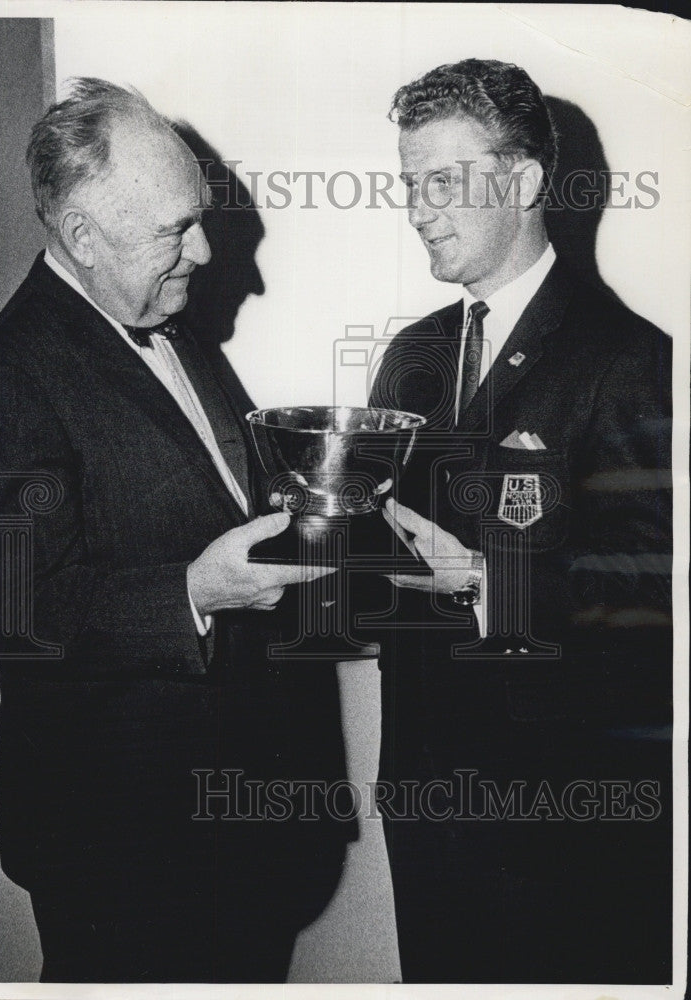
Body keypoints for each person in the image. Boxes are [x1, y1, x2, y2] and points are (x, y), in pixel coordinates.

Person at [0, 78, 352, 984]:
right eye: (173, 230)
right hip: (123, 852)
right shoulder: (6, 375)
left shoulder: (169, 320)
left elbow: (201, 507)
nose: (203, 251)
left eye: (197, 218)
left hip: (238, 839)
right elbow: (13, 615)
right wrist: (191, 595)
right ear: (82, 238)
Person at [369, 59, 672, 984]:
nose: (416, 208)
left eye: (440, 182)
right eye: (407, 183)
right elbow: (390, 555)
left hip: (557, 812)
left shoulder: (626, 359)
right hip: (422, 789)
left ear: (525, 181)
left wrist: (486, 584)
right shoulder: (412, 356)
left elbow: (649, 596)